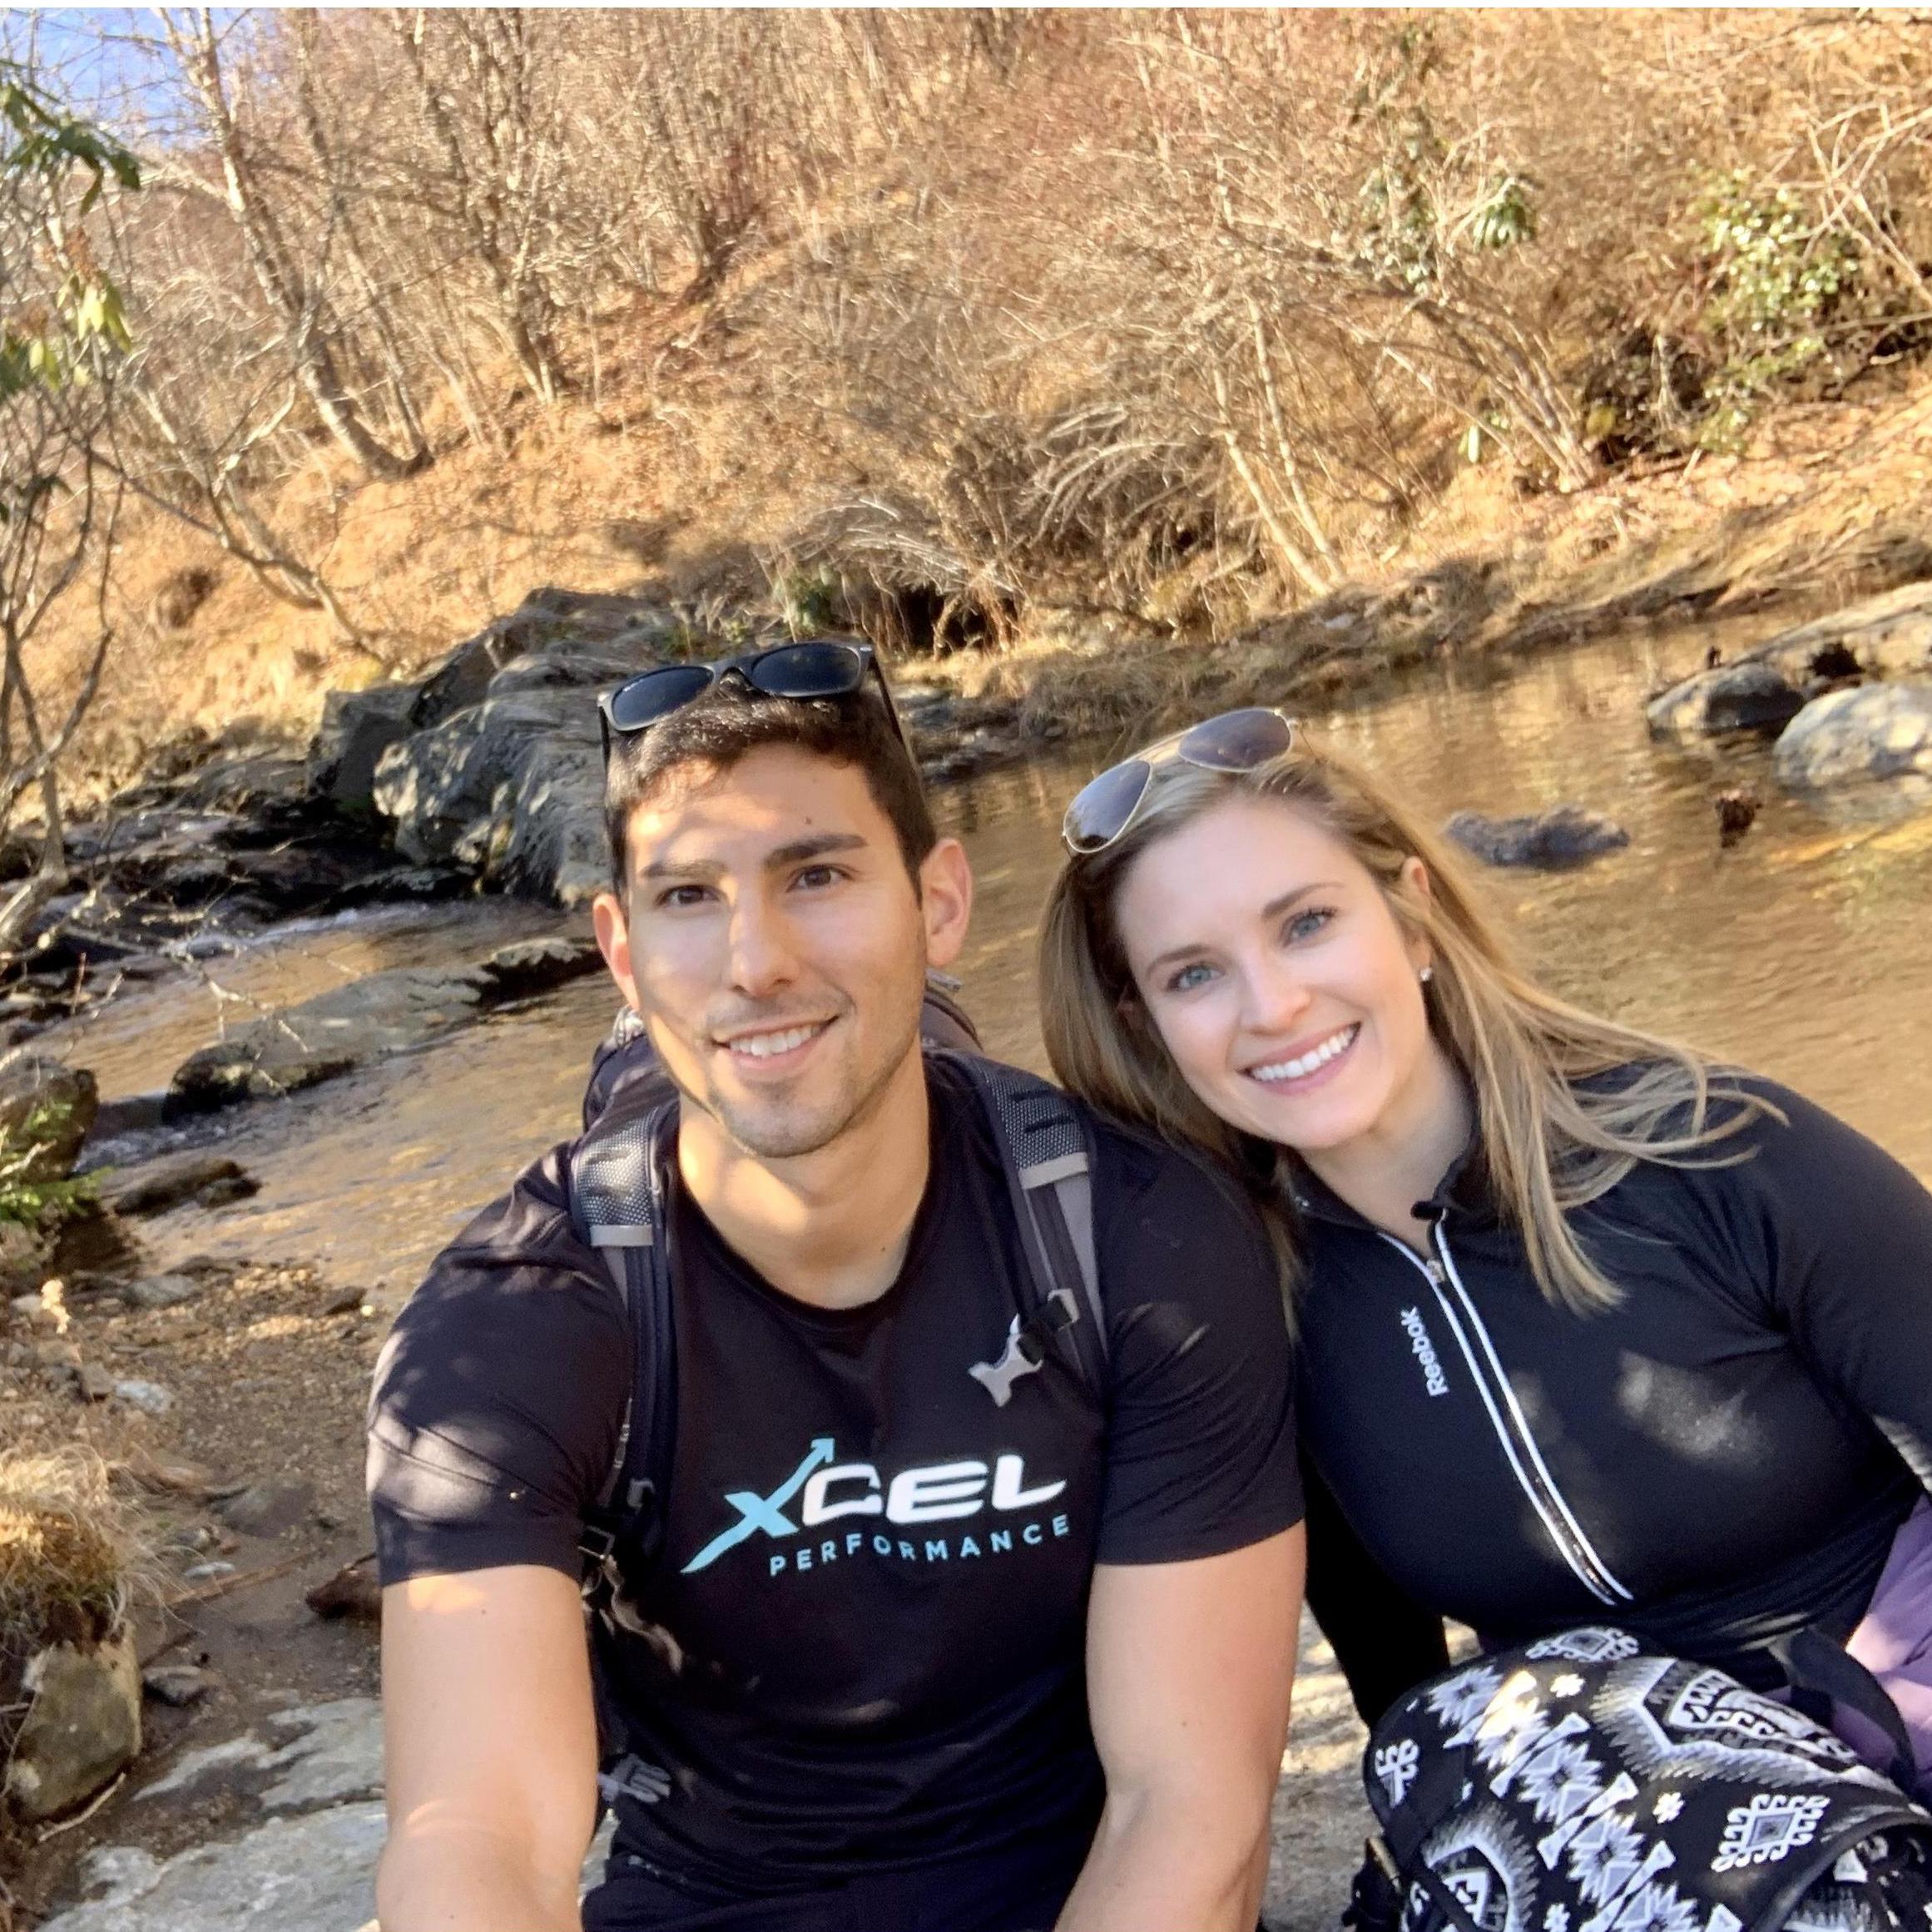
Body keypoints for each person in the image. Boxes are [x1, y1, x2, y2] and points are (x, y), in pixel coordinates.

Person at [368, 644, 1308, 1932]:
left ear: (939, 904)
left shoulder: (1133, 1238)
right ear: (623, 957)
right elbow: (475, 1835)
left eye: (814, 875)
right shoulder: (510, 1326)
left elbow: (1188, 1805)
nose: (754, 960)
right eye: (689, 895)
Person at [1036, 706, 1932, 1791]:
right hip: (1612, 1788)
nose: (1271, 1004)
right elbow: (1392, 1675)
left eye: (1306, 923)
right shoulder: (1241, 1299)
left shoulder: (1706, 1144)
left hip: (1892, 1678)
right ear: (1145, 1030)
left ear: (1412, 919)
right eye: (1192, 974)